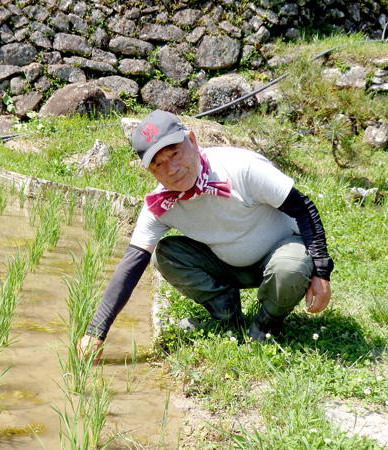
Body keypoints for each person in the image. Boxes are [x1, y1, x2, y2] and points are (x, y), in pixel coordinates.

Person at [79, 109, 333, 360]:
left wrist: (321, 270)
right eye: (159, 165)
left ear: (192, 140)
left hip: (281, 254)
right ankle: (228, 318)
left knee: (290, 266)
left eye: (175, 153)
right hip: (228, 264)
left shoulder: (239, 167)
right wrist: (96, 332)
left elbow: (303, 207)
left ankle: (265, 325)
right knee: (164, 253)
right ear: (151, 172)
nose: (172, 169)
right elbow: (131, 265)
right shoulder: (160, 205)